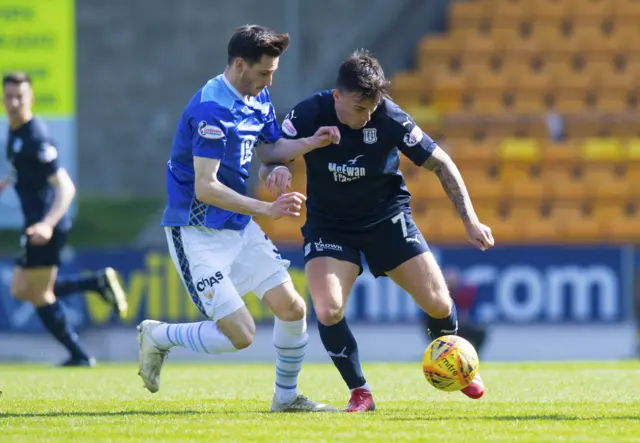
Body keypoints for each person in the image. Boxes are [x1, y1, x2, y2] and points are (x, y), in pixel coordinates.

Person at [257, 50, 495, 412]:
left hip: (386, 219)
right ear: (337, 97)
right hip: (330, 224)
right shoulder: (309, 112)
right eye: (358, 109)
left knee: (439, 303)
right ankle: (360, 392)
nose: (366, 116)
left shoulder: (389, 116)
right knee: (327, 308)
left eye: (371, 108)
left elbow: (440, 162)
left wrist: (470, 220)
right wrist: (279, 170)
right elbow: (269, 154)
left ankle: (457, 366)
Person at [137, 25, 341, 412]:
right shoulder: (212, 109)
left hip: (236, 225)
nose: (270, 80)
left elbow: (270, 148)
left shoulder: (257, 95)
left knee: (294, 309)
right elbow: (205, 187)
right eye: (265, 72)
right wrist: (266, 209)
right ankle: (159, 336)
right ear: (239, 64)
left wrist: (312, 142)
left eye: (274, 72)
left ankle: (286, 399)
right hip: (196, 230)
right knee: (241, 335)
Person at [1, 72, 129, 367]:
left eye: (20, 96)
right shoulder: (16, 133)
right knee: (21, 289)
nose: (14, 102)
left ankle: (79, 355)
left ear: (31, 98)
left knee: (38, 293)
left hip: (47, 225)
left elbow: (65, 187)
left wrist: (47, 223)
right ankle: (95, 282)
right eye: (9, 96)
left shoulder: (36, 136)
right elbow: (25, 171)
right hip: (34, 225)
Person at [421, 268, 488, 356]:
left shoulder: (466, 293)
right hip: (441, 326)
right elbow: (425, 315)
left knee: (480, 330)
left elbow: (474, 314)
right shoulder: (435, 294)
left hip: (463, 326)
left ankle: (472, 355)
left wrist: (465, 318)